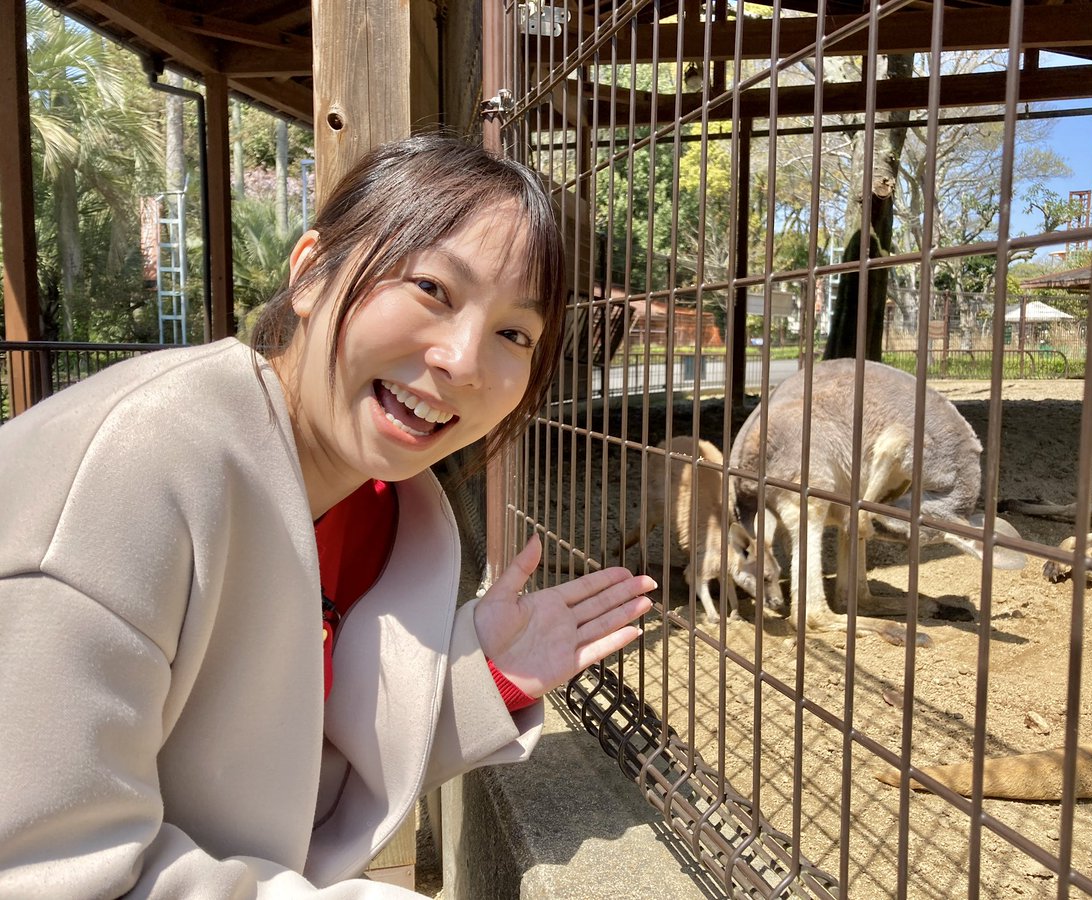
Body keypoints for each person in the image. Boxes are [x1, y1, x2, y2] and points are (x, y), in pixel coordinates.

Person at [0, 135, 655, 897]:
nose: (464, 360)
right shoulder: (135, 473)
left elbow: (279, 774)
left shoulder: (376, 510)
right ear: (311, 273)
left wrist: (492, 679)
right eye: (434, 290)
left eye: (515, 334)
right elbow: (44, 870)